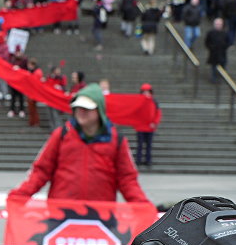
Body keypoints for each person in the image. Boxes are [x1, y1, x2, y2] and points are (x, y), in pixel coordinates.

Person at [8, 83, 150, 203]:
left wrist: (142, 204)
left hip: (101, 217)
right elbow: (41, 171)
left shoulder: (116, 140)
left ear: (99, 110)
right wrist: (20, 195)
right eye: (78, 107)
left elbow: (127, 179)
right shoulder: (61, 135)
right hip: (61, 214)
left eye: (87, 108)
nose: (81, 111)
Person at [135, 83, 161, 167]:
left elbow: (158, 113)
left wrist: (155, 123)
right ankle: (138, 160)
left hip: (150, 127)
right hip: (141, 127)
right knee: (140, 144)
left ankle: (148, 160)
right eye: (144, 92)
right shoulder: (138, 102)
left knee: (148, 145)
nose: (146, 93)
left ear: (151, 92)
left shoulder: (154, 102)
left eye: (147, 92)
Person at [204, 17, 230, 84]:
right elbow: (207, 42)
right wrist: (211, 47)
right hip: (214, 53)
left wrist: (224, 47)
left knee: (223, 64)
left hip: (222, 52)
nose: (218, 25)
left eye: (219, 24)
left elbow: (228, 42)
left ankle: (221, 76)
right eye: (217, 24)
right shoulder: (210, 33)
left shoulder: (225, 33)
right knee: (214, 66)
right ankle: (214, 78)